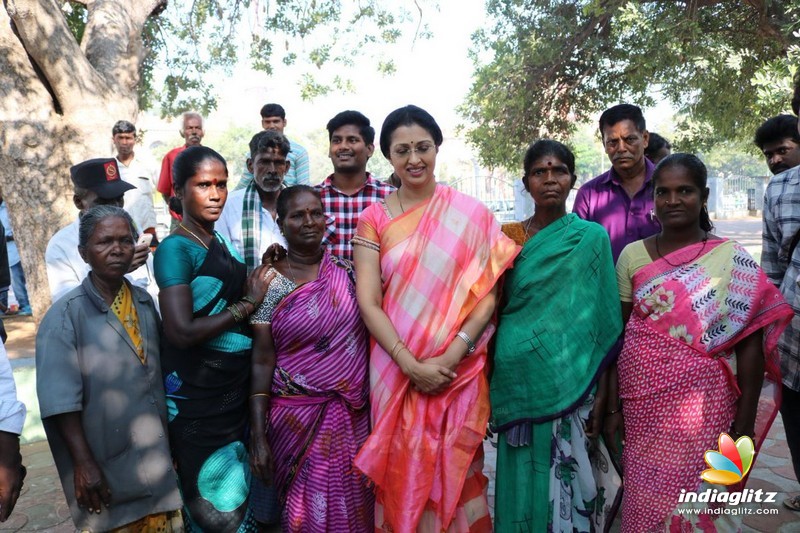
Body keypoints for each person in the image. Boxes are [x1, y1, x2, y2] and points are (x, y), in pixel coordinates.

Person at [352, 105, 518, 531]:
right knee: (401, 467)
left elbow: (487, 295)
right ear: (387, 156)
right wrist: (410, 364)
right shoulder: (373, 220)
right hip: (394, 369)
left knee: (457, 470)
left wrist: (451, 357)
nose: (414, 159)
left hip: (455, 371)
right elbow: (369, 301)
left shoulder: (471, 214)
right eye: (402, 150)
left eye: (422, 147)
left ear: (437, 148)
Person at [612, 153, 792, 531]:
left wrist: (742, 427)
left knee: (700, 504)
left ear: (704, 196)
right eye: (663, 192)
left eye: (685, 191)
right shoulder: (632, 255)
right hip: (642, 403)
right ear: (654, 198)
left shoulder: (732, 259)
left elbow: (750, 347)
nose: (673, 200)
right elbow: (622, 331)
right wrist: (611, 405)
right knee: (643, 498)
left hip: (705, 408)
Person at [491, 140, 622, 533]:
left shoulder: (591, 238)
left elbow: (602, 320)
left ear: (573, 180)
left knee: (571, 472)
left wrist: (604, 394)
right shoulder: (506, 238)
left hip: (572, 374)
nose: (549, 179)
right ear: (526, 182)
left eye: (559, 171)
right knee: (522, 469)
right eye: (539, 172)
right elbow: (492, 307)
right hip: (517, 374)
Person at [36, 205, 182, 531]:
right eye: (104, 242)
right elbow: (60, 403)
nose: (117, 249)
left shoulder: (144, 303)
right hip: (103, 461)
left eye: (125, 240)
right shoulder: (64, 317)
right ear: (83, 253)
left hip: (153, 454)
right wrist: (83, 463)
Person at [154, 145, 273, 532]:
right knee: (214, 509)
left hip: (231, 400)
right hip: (197, 406)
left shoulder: (215, 240)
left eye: (221, 183)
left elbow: (234, 293)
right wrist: (247, 304)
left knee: (237, 501)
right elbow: (180, 331)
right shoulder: (176, 249)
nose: (216, 193)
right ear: (179, 191)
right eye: (203, 184)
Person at [249, 185, 374, 531]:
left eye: (316, 213)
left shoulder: (349, 274)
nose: (309, 221)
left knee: (356, 511)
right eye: (297, 215)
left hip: (353, 418)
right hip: (294, 422)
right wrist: (258, 436)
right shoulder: (268, 282)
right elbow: (261, 361)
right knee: (306, 515)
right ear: (280, 221)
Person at [762, 71, 800, 512]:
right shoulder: (781, 189)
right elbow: (772, 266)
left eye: (782, 151)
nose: (774, 160)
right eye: (769, 154)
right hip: (795, 337)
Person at [45, 158, 154, 303]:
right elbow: (68, 305)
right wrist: (117, 273)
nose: (115, 208)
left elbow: (151, 286)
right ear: (79, 202)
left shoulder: (132, 229)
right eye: (104, 202)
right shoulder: (61, 244)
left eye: (119, 199)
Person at [573, 104, 661, 261]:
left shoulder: (668, 187)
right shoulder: (589, 195)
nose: (621, 148)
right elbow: (578, 254)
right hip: (606, 286)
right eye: (612, 142)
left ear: (645, 139)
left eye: (630, 139)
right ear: (604, 145)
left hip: (665, 285)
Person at [316, 110, 394, 262]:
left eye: (352, 140)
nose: (343, 146)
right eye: (337, 140)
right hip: (324, 286)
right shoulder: (312, 198)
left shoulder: (391, 197)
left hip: (379, 285)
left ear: (370, 149)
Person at [217, 130, 288, 272]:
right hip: (244, 292)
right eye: (265, 162)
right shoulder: (229, 205)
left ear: (286, 167)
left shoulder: (297, 205)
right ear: (250, 165)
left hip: (297, 292)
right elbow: (221, 261)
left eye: (278, 162)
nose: (272, 170)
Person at [237, 103, 311, 190]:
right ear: (262, 123)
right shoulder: (254, 152)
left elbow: (304, 186)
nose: (272, 126)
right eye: (267, 122)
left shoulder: (299, 152)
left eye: (276, 121)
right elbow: (244, 184)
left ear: (284, 122)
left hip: (290, 200)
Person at [112, 120, 159, 237]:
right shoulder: (109, 168)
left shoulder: (148, 163)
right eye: (120, 138)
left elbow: (163, 187)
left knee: (151, 256)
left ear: (135, 140)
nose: (124, 142)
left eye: (128, 138)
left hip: (147, 228)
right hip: (120, 229)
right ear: (113, 139)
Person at [157, 112, 205, 224]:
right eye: (189, 128)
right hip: (179, 220)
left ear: (203, 132)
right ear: (182, 132)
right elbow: (165, 191)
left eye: (197, 128)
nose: (194, 132)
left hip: (205, 218)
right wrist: (178, 210)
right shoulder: (171, 157)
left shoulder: (210, 157)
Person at [0, 190, 31, 315]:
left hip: (14, 252)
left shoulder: (8, 208)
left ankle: (25, 306)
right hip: (3, 253)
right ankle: (3, 309)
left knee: (16, 280)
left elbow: (20, 229)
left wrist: (9, 237)